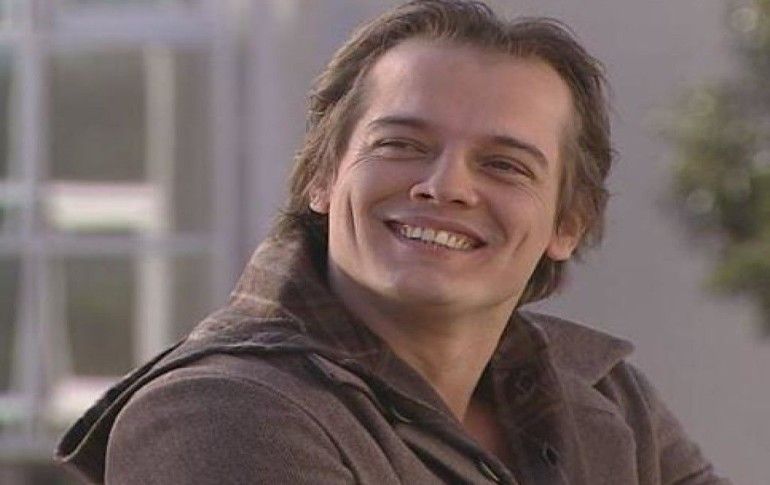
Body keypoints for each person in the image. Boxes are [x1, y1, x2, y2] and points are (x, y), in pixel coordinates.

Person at [55, 1, 730, 483]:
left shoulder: (609, 395)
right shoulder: (220, 412)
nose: (445, 186)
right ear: (322, 176)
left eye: (504, 164)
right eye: (401, 145)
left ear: (568, 223)